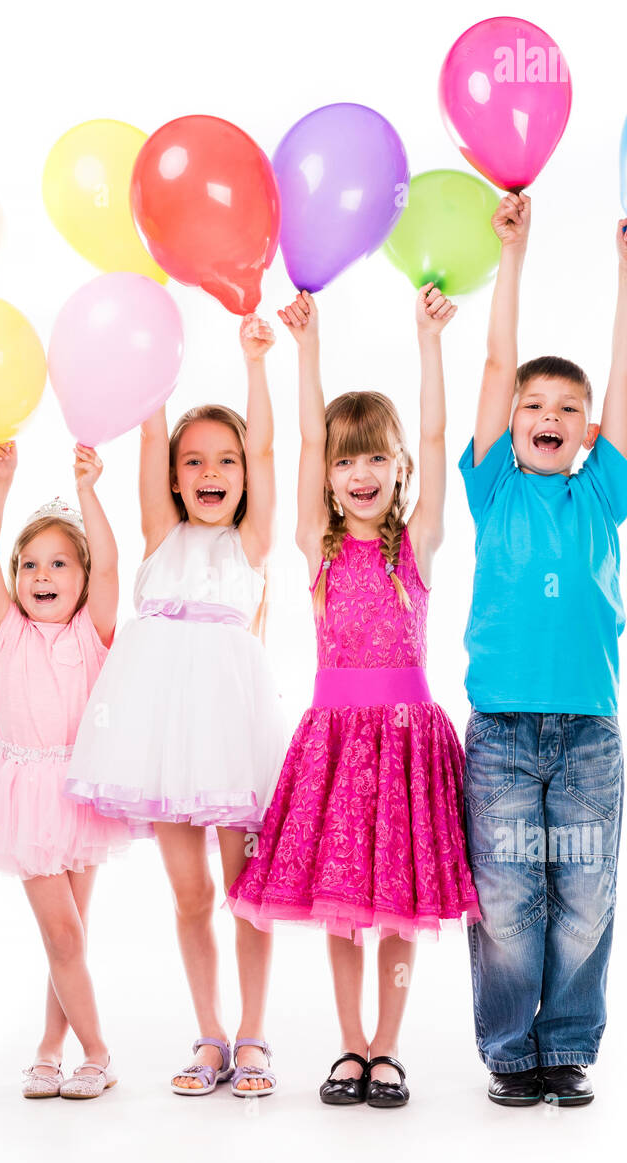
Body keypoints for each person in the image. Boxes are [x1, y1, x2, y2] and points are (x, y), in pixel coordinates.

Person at [228, 286, 481, 1109]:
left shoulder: (419, 544)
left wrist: (428, 340)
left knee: (400, 906)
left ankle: (388, 1048)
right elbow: (306, 438)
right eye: (345, 462)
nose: (359, 473)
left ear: (398, 467)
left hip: (406, 744)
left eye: (375, 458)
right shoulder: (318, 547)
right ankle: (349, 1046)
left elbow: (437, 435)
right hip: (337, 744)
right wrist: (308, 348)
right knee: (340, 905)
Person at [460, 194, 627, 1108]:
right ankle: (510, 1052)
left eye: (567, 408)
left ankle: (566, 1045)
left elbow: (626, 378)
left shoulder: (600, 493)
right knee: (507, 900)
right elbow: (496, 362)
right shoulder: (493, 485)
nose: (550, 413)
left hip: (586, 735)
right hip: (502, 733)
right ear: (511, 423)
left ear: (586, 431)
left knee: (584, 898)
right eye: (533, 405)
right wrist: (514, 255)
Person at [64, 316, 287, 1097]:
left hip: (231, 736)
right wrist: (152, 358)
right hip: (161, 742)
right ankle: (210, 1036)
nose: (210, 472)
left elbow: (267, 449)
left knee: (246, 894)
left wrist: (255, 363)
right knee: (191, 895)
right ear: (173, 478)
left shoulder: (251, 545)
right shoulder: (161, 537)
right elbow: (152, 433)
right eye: (193, 462)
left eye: (225, 461)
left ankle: (253, 1037)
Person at [0, 441, 129, 1100]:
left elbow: (111, 564)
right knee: (63, 933)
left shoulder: (91, 631)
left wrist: (88, 491)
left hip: (81, 790)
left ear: (81, 576)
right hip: (25, 795)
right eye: (29, 564)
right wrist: (0, 483)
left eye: (58, 563)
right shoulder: (8, 630)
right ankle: (98, 1051)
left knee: (69, 936)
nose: (41, 575)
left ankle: (53, 1048)